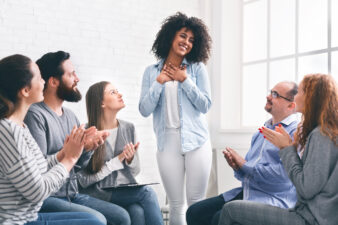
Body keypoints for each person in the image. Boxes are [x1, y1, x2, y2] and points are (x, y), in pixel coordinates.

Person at [24, 51, 130, 225]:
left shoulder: (71, 117)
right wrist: (69, 151)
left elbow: (77, 167)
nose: (77, 79)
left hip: (72, 194)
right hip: (49, 197)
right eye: (71, 74)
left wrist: (88, 148)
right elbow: (39, 168)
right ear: (53, 81)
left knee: (122, 217)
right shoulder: (35, 115)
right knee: (99, 220)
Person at [219, 74, 338, 225]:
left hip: (310, 219)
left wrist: (286, 148)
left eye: (300, 92)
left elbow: (305, 189)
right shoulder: (324, 132)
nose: (295, 98)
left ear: (311, 97)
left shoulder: (321, 135)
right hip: (308, 213)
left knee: (230, 210)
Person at [0, 54, 104, 225]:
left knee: (95, 220)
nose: (44, 82)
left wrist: (66, 151)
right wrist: (69, 158)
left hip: (30, 216)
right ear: (25, 90)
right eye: (40, 78)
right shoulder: (8, 131)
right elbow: (38, 191)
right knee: (95, 222)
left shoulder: (20, 127)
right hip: (16, 221)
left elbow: (38, 168)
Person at [187, 81, 299, 225]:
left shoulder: (295, 133)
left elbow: (284, 177)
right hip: (248, 191)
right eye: (271, 92)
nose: (268, 97)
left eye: (275, 95)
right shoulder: (261, 132)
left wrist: (244, 166)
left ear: (291, 105)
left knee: (219, 218)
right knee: (195, 212)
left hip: (272, 198)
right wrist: (237, 167)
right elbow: (246, 174)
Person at [138, 12, 212, 225]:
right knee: (177, 204)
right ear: (170, 36)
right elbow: (144, 109)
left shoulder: (197, 69)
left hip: (197, 141)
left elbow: (205, 104)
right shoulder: (151, 72)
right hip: (167, 141)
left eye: (191, 40)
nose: (186, 43)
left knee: (196, 202)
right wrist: (159, 82)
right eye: (182, 36)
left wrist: (185, 80)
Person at [77, 81, 164, 225]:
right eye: (113, 92)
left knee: (138, 212)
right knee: (147, 193)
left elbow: (135, 171)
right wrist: (115, 162)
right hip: (99, 193)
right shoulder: (88, 132)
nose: (120, 94)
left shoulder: (128, 128)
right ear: (102, 103)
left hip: (125, 191)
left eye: (117, 91)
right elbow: (82, 180)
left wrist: (130, 160)